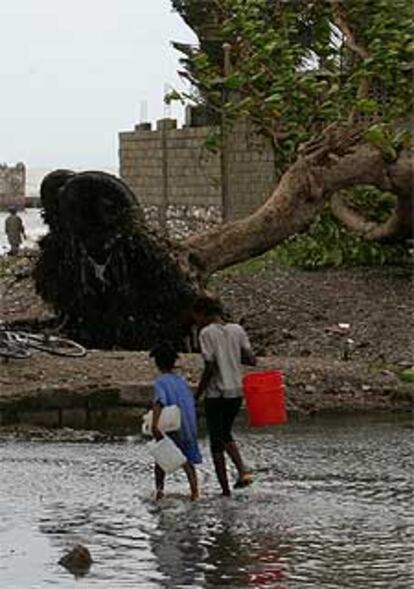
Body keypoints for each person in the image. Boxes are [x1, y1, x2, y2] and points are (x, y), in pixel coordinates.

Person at [193, 295, 257, 497]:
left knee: (216, 442)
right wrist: (231, 355)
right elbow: (251, 359)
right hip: (237, 392)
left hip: (216, 393)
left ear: (204, 314)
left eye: (197, 316)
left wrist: (197, 394)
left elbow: (210, 366)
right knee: (225, 433)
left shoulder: (206, 333)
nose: (196, 321)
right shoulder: (237, 330)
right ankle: (243, 471)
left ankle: (225, 491)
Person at [150, 341, 202, 501]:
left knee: (161, 458)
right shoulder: (180, 381)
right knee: (187, 461)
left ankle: (159, 491)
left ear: (157, 363)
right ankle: (195, 493)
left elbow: (159, 402)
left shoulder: (161, 382)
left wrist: (154, 425)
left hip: (172, 426)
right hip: (187, 425)